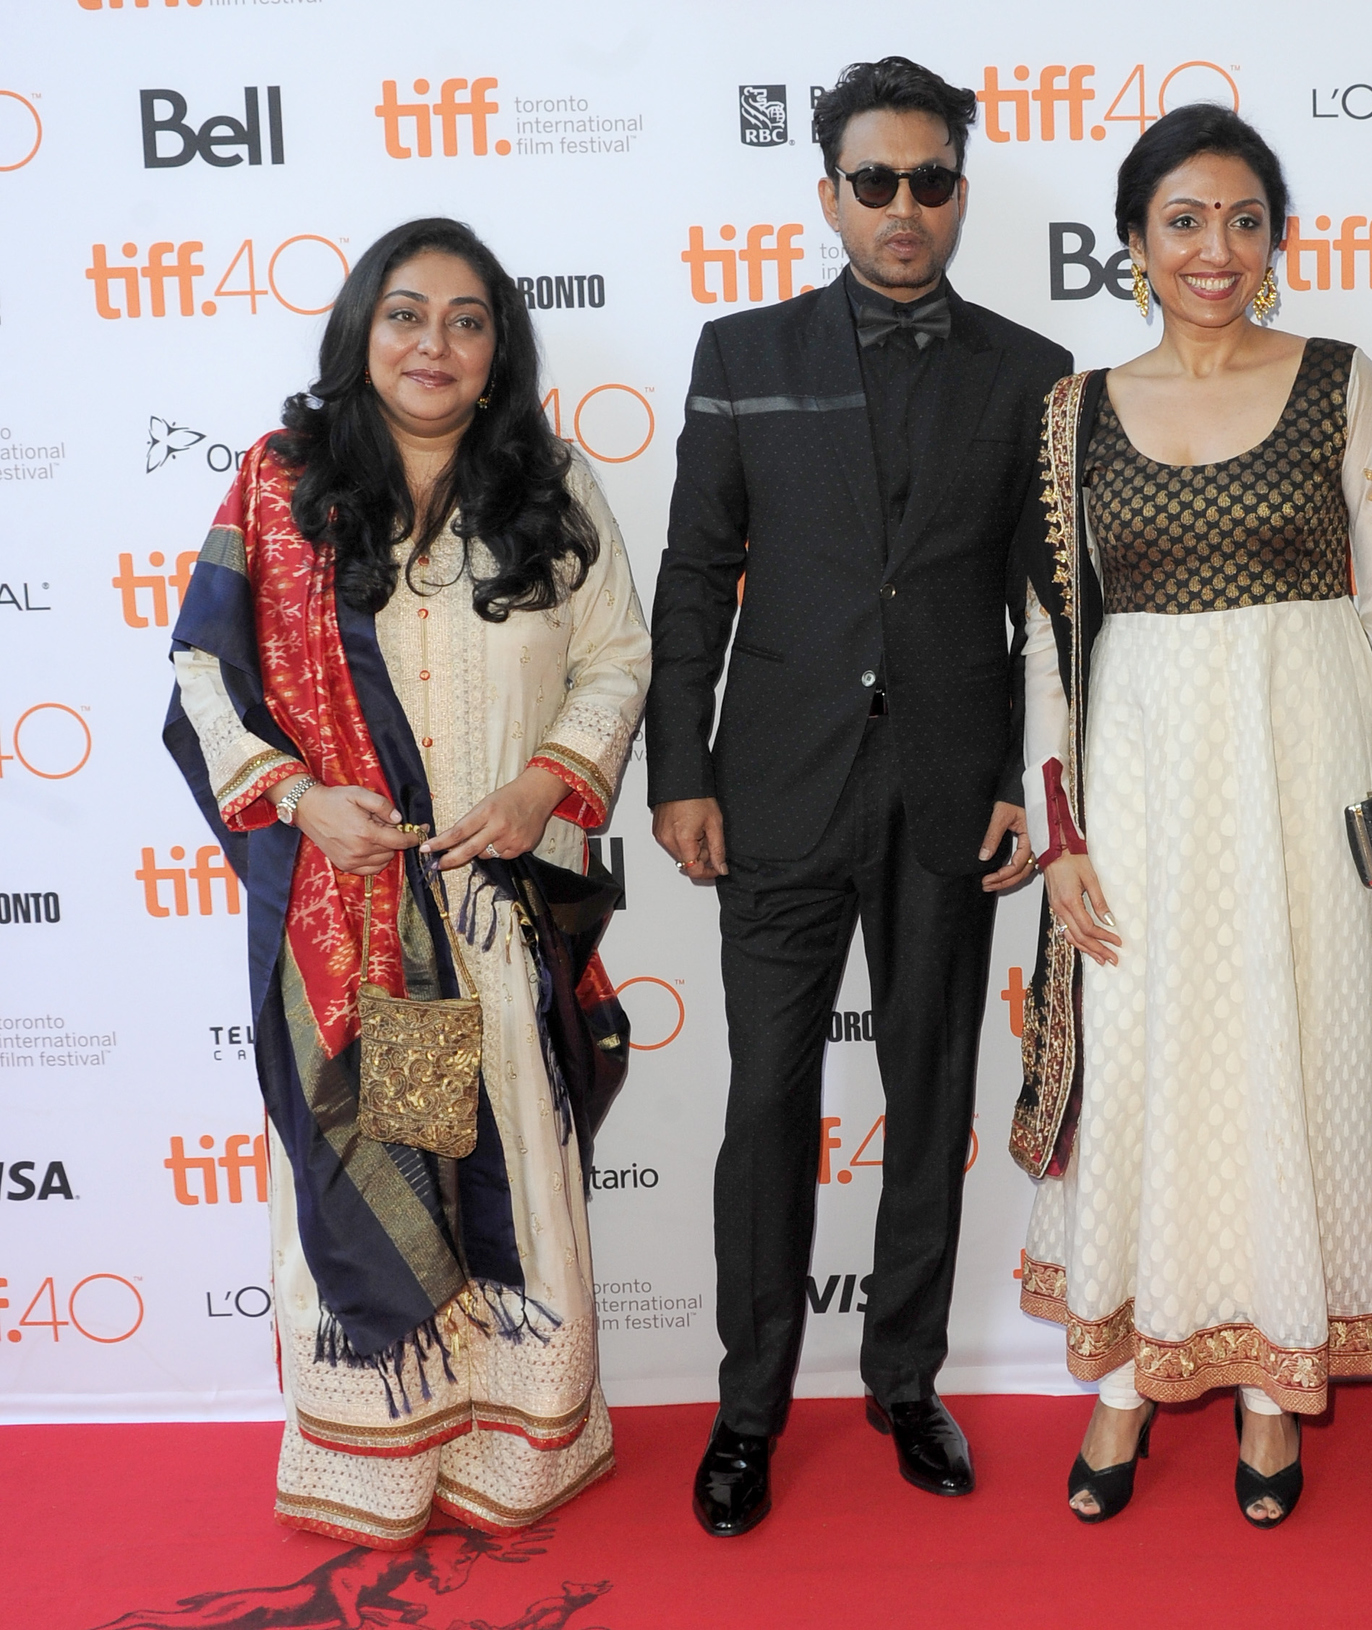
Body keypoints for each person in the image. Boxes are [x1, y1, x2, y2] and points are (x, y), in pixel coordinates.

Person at [1012, 103, 1372, 1529]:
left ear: (1275, 238)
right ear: (1133, 245)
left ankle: (1275, 1389)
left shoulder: (1342, 383)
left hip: (1311, 762)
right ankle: (1125, 1368)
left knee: (1297, 1049)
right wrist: (1063, 835)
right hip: (1145, 777)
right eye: (1182, 221)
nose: (1213, 249)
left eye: (1241, 219)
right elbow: (1052, 644)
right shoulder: (1072, 413)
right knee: (1152, 1051)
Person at [164, 216, 651, 1549]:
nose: (432, 343)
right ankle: (386, 1453)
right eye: (405, 313)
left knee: (501, 1179)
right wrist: (307, 799)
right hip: (361, 926)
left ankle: (510, 1446)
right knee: (403, 1175)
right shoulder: (284, 486)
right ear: (360, 333)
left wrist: (542, 785)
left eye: (465, 320)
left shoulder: (548, 483)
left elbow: (615, 660)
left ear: (499, 352)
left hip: (493, 912)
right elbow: (203, 675)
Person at [646, 56, 1071, 1537]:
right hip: (772, 788)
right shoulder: (743, 348)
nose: (905, 208)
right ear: (827, 191)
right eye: (874, 181)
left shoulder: (1032, 375)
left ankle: (904, 1380)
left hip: (953, 792)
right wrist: (680, 771)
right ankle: (748, 1407)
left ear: (963, 190)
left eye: (931, 180)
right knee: (765, 1100)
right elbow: (696, 573)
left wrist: (1035, 784)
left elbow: (1056, 612)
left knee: (931, 1086)